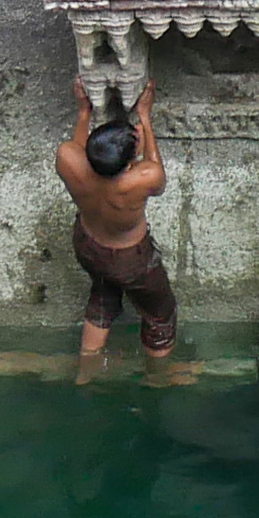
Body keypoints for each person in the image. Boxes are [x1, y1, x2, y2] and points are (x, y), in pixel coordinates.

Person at [56, 77, 179, 374]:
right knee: (160, 315)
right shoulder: (139, 180)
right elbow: (156, 173)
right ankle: (158, 378)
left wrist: (83, 112)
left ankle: (86, 372)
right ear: (127, 166)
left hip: (87, 244)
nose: (136, 133)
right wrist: (145, 120)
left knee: (102, 293)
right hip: (129, 258)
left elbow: (79, 145)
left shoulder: (67, 158)